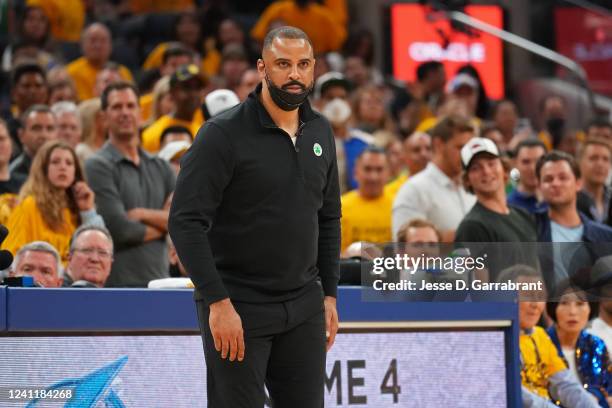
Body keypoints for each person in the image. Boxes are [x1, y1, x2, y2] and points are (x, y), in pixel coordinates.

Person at [168, 26, 340, 407]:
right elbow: (184, 221)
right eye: (283, 64)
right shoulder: (222, 134)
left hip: (304, 305)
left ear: (313, 70)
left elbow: (328, 218)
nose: (294, 74)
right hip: (238, 304)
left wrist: (329, 294)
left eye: (303, 64)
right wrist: (217, 302)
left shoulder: (320, 131)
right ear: (262, 69)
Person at [85, 82, 175, 287]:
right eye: (117, 107)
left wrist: (142, 214)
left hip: (161, 284)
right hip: (118, 287)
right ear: (104, 117)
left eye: (130, 106)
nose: (125, 112)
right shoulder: (97, 165)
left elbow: (183, 220)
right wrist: (164, 224)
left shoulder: (161, 166)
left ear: (140, 113)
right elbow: (120, 229)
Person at [3, 140, 103, 264]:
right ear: (43, 169)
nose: (63, 167)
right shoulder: (29, 205)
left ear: (75, 172)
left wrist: (88, 211)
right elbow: (12, 257)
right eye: (55, 162)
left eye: (69, 163)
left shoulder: (76, 209)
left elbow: (99, 250)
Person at [393, 115, 476, 242]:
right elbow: (403, 248)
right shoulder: (413, 190)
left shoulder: (472, 187)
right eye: (460, 147)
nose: (467, 155)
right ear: (439, 145)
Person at [546, 281, 612, 407]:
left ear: (590, 309)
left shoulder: (595, 344)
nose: (572, 312)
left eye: (580, 304)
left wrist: (596, 396)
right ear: (553, 308)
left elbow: (608, 388)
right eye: (564, 303)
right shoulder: (542, 343)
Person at [141, 64, 206, 153]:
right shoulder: (153, 135)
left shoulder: (204, 132)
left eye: (198, 88)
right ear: (172, 92)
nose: (193, 94)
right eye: (187, 87)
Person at [341, 146, 392, 253]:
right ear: (355, 172)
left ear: (388, 173)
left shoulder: (398, 205)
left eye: (379, 169)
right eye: (367, 169)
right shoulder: (340, 207)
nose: (373, 177)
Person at [66, 23, 133, 101]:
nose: (98, 45)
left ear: (110, 45)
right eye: (93, 40)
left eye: (103, 40)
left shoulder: (123, 72)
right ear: (82, 44)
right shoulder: (71, 73)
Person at [9, 104, 58, 188]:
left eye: (50, 128)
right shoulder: (13, 174)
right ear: (21, 135)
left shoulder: (64, 169)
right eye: (36, 128)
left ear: (57, 134)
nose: (44, 135)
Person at [576, 138, 612, 224]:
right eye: (593, 158)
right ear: (579, 163)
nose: (600, 164)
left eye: (605, 159)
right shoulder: (570, 200)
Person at [507, 139, 548, 214]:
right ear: (514, 163)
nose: (533, 168)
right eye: (526, 162)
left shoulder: (560, 200)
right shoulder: (508, 206)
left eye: (538, 161)